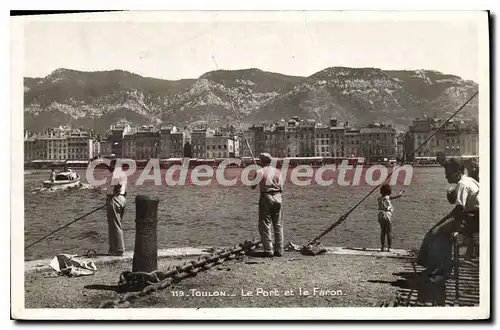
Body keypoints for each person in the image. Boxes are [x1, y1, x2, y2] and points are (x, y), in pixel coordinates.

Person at [417, 158, 479, 273]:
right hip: (478, 218)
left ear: (458, 173)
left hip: (474, 220)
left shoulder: (462, 184)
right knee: (438, 230)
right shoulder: (469, 180)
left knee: (436, 233)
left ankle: (437, 267)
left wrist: (440, 225)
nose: (446, 177)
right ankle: (439, 266)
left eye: (448, 174)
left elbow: (459, 211)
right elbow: (458, 210)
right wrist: (442, 221)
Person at [250, 153, 284, 257]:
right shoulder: (278, 172)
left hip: (266, 197)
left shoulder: (260, 171)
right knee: (278, 224)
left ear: (261, 161)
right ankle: (280, 249)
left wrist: (256, 175)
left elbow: (252, 186)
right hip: (278, 197)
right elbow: (281, 187)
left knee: (265, 224)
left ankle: (269, 250)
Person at [105, 159, 128, 256]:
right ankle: (115, 247)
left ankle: (118, 249)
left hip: (114, 199)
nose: (110, 167)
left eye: (112, 165)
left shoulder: (116, 173)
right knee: (117, 224)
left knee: (114, 225)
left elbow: (117, 185)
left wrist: (113, 195)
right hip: (122, 199)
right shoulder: (123, 174)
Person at [377, 184, 404, 252]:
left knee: (382, 231)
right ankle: (389, 248)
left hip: (380, 215)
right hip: (387, 215)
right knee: (389, 232)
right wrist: (401, 191)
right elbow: (399, 195)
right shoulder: (388, 197)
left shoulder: (379, 199)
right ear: (389, 191)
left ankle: (382, 247)